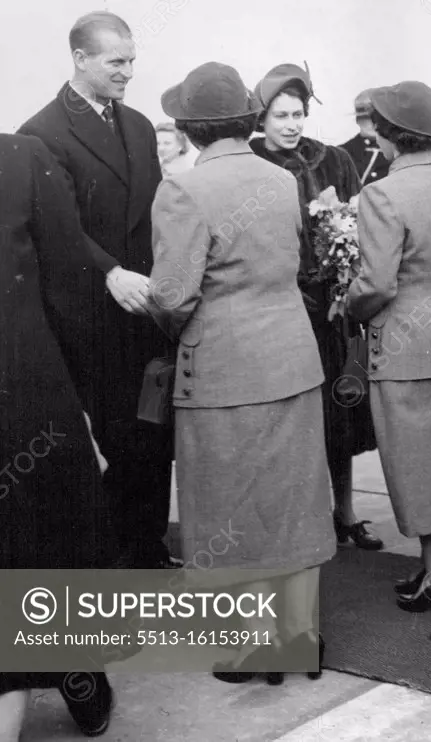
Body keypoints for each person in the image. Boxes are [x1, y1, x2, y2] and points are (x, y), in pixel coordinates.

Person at [148, 62, 337, 685]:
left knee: (229, 504)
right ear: (247, 119)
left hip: (222, 367)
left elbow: (174, 295)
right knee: (296, 499)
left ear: (190, 127)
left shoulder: (182, 189)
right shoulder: (280, 179)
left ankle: (257, 645)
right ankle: (302, 636)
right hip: (291, 355)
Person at [17, 10, 176, 569]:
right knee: (113, 433)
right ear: (80, 59)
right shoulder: (42, 133)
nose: (129, 71)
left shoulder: (135, 124)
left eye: (132, 60)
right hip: (94, 313)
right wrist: (111, 272)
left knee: (152, 433)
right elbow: (60, 231)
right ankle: (112, 553)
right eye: (117, 61)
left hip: (148, 307)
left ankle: (148, 545)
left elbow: (157, 210)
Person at [0, 133, 118, 739]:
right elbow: (71, 288)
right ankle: (81, 681)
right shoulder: (20, 160)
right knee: (51, 545)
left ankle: (78, 680)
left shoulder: (22, 159)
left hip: (29, 400)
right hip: (31, 395)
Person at [345, 81, 431, 614]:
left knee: (411, 461)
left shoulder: (382, 193)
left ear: (388, 134)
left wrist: (350, 306)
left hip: (400, 343)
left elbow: (376, 283)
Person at [250, 63, 382, 552]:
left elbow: (355, 220)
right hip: (278, 307)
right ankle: (295, 518)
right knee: (289, 418)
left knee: (339, 409)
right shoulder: (250, 164)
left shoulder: (333, 160)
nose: (290, 124)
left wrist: (347, 285)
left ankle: (344, 512)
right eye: (280, 115)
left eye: (298, 114)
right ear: (260, 119)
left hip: (331, 307)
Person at [341, 89, 431, 186]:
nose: (370, 124)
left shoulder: (420, 146)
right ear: (357, 120)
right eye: (364, 119)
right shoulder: (343, 153)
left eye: (375, 119)